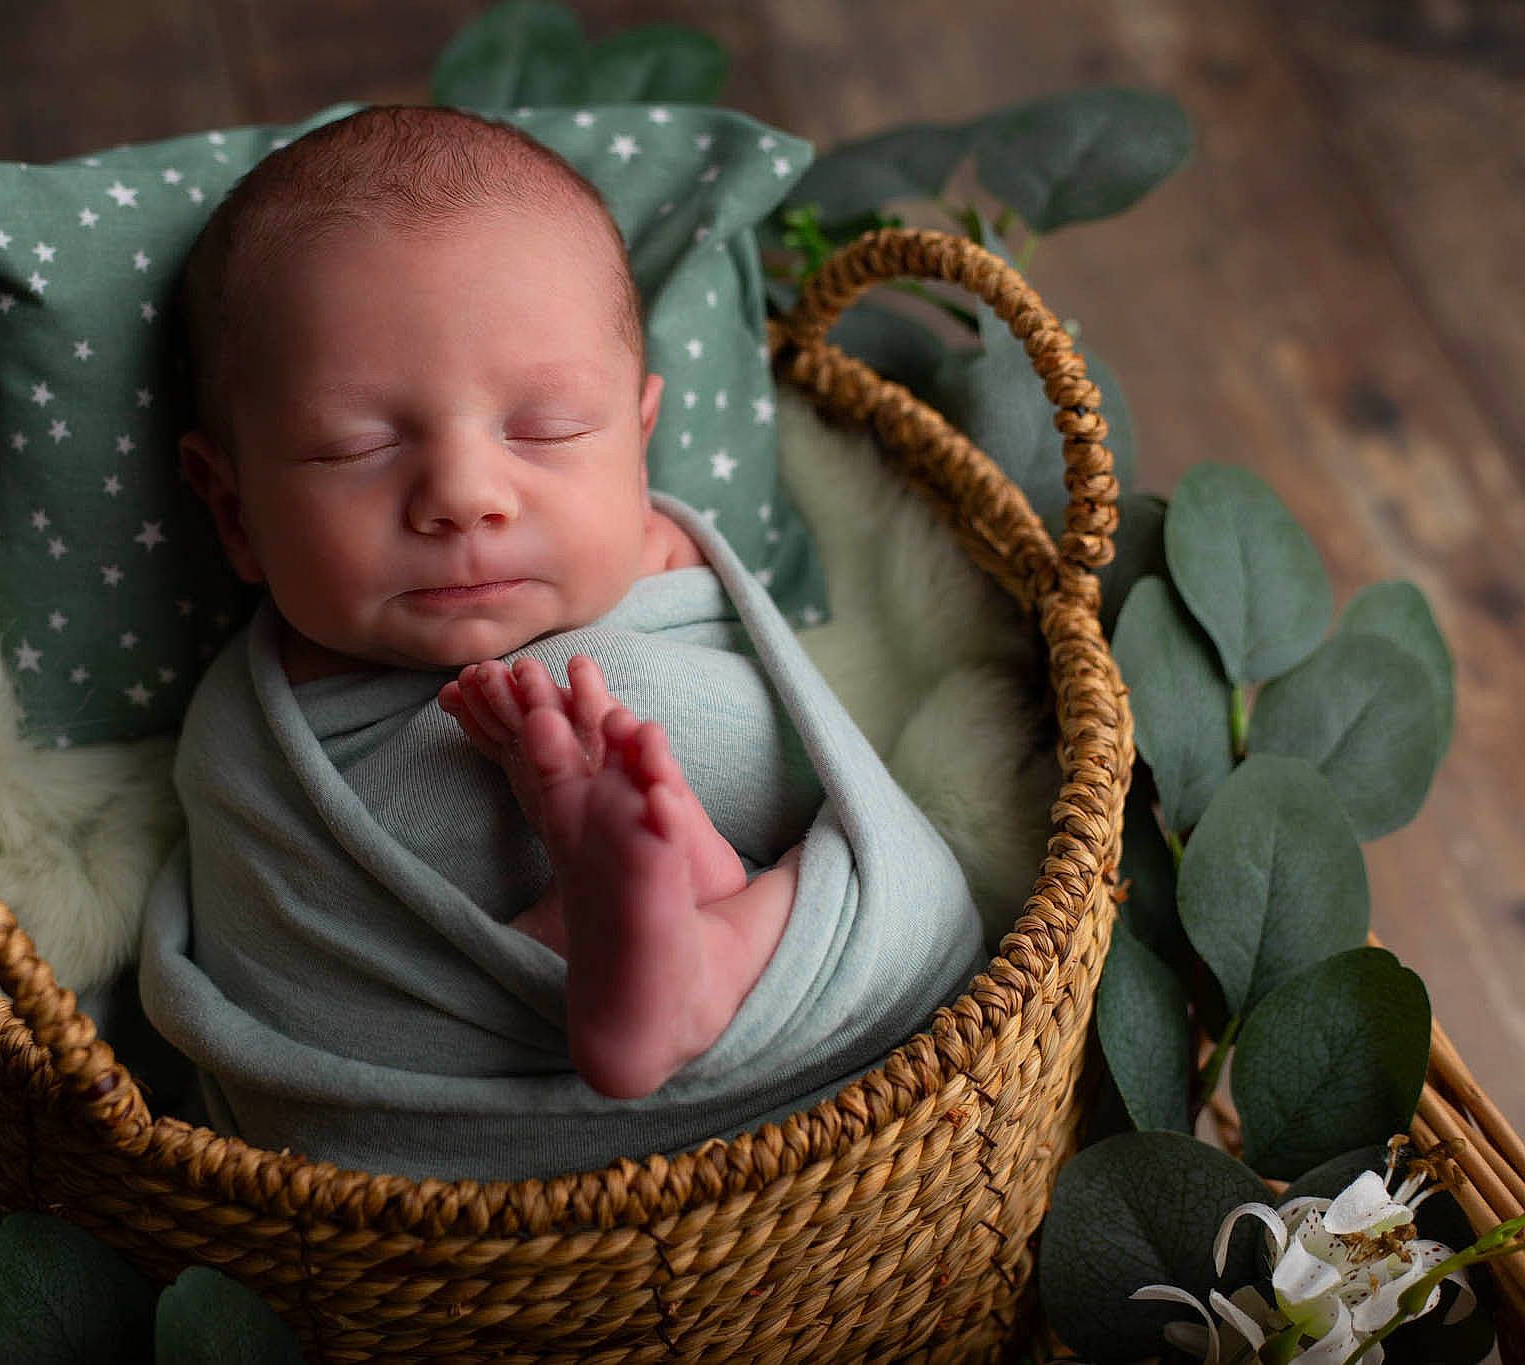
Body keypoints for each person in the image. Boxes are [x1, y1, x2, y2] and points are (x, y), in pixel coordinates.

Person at [140, 105, 980, 1178]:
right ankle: (613, 939)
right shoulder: (246, 730)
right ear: (232, 510)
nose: (462, 496)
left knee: (857, 868)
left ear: (637, 443)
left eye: (544, 431)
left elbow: (791, 762)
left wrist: (689, 800)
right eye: (352, 446)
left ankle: (696, 927)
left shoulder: (663, 557)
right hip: (432, 1106)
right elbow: (276, 947)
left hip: (787, 1012)